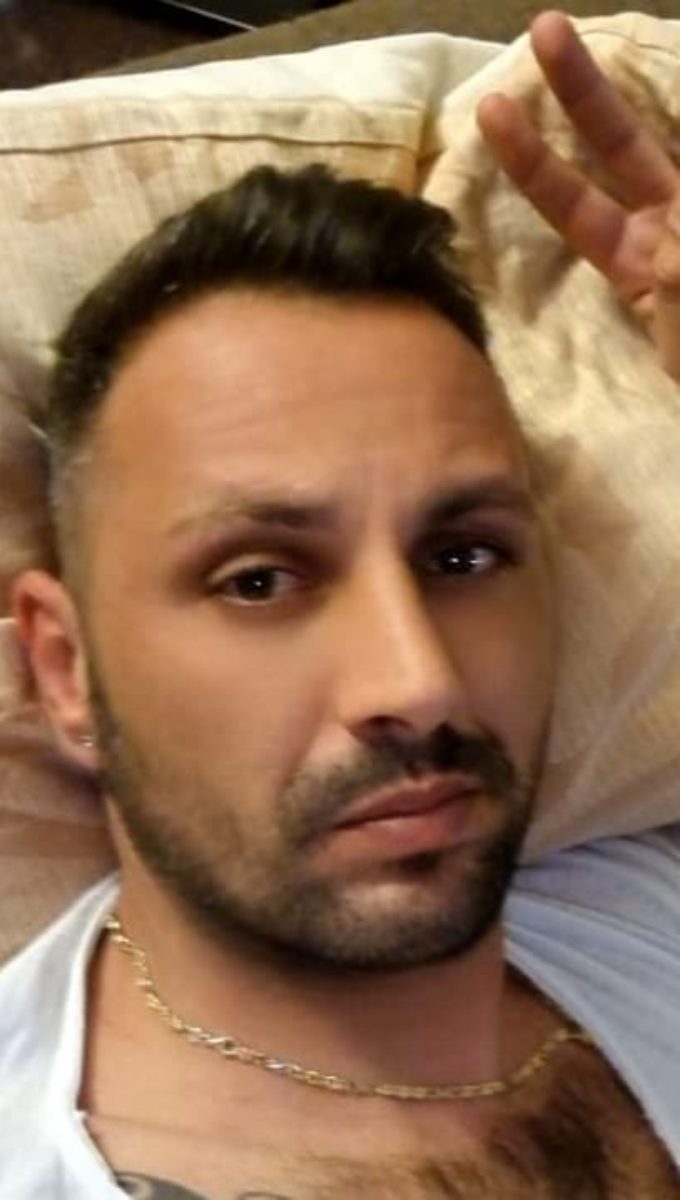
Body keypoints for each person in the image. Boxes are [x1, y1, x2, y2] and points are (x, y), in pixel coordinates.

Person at [1, 11, 680, 1199]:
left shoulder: (638, 907)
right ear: (66, 672)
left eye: (461, 556)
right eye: (258, 580)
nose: (418, 682)